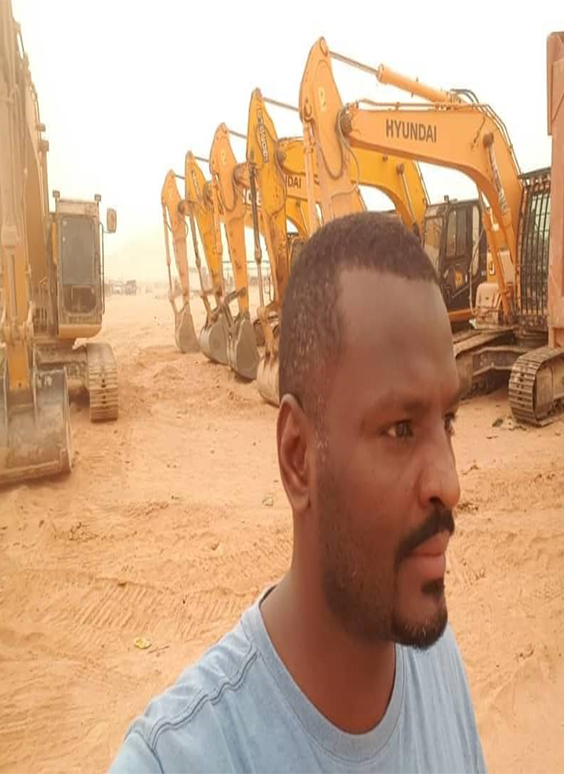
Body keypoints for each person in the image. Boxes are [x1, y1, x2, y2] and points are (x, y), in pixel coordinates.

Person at [109, 212, 486, 773]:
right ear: (297, 456)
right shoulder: (179, 760)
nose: (449, 484)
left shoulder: (435, 660)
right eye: (401, 430)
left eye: (448, 422)